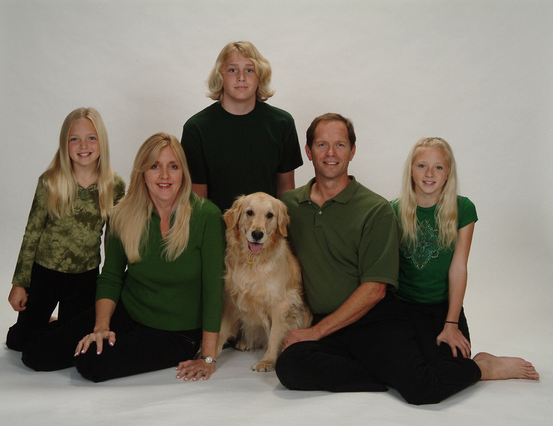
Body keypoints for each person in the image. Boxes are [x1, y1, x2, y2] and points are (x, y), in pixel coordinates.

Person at [275, 113, 539, 405]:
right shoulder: (289, 206)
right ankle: (392, 375)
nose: (331, 153)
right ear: (308, 151)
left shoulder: (374, 209)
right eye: (322, 145)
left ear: (352, 150)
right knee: (289, 368)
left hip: (372, 318)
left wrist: (315, 333)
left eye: (340, 144)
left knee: (421, 389)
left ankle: (480, 367)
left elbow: (376, 289)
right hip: (325, 320)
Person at [21, 133, 226, 383]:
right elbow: (111, 276)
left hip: (175, 333)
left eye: (173, 166)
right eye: (154, 166)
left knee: (91, 364)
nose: (164, 176)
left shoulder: (207, 216)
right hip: (128, 312)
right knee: (35, 352)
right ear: (142, 173)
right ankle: (62, 327)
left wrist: (207, 357)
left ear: (183, 172)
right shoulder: (124, 214)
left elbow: (215, 290)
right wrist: (101, 328)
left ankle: (71, 329)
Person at [6, 107, 125, 352]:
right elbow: (32, 234)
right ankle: (37, 324)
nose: (84, 145)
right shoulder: (50, 181)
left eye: (91, 138)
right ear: (65, 143)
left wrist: (110, 282)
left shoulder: (114, 185)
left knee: (71, 343)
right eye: (75, 139)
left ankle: (57, 325)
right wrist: (19, 283)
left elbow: (114, 239)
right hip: (45, 273)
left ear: (101, 141)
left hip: (84, 276)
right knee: (20, 343)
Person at [181, 41, 303, 212]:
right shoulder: (196, 129)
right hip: (217, 231)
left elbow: (285, 191)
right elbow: (198, 199)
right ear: (220, 75)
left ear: (260, 75)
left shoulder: (282, 124)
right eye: (232, 70)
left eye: (249, 70)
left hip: (267, 233)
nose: (241, 77)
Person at [391, 137, 475, 361]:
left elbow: (458, 268)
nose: (429, 174)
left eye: (438, 167)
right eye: (421, 166)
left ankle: (488, 365)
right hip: (403, 306)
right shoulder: (392, 211)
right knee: (406, 367)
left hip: (443, 308)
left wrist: (451, 323)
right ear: (411, 171)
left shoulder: (463, 209)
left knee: (452, 362)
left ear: (448, 173)